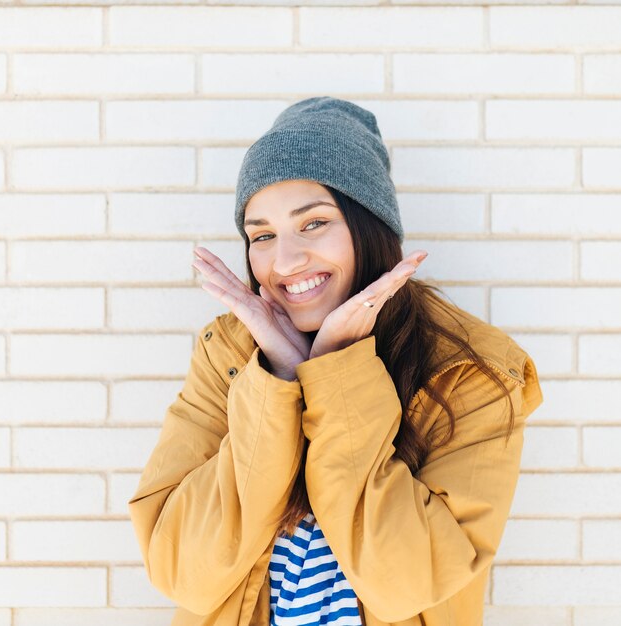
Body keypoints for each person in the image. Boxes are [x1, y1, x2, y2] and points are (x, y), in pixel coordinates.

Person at [128, 96, 544, 626]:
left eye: (313, 223)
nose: (284, 260)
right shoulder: (229, 355)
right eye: (262, 235)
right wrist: (277, 376)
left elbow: (409, 581)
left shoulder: (470, 371)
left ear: (369, 228)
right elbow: (182, 570)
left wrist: (337, 369)